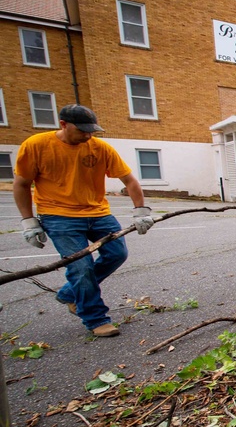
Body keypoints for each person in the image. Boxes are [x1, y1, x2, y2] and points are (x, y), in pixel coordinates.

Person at [13, 104, 154, 338]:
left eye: (91, 131)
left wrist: (141, 211)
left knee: (117, 254)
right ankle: (95, 318)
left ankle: (70, 293)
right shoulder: (36, 146)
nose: (88, 135)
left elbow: (129, 180)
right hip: (58, 216)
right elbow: (21, 184)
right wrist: (28, 221)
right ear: (63, 125)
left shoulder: (99, 148)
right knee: (81, 266)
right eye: (82, 131)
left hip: (98, 212)